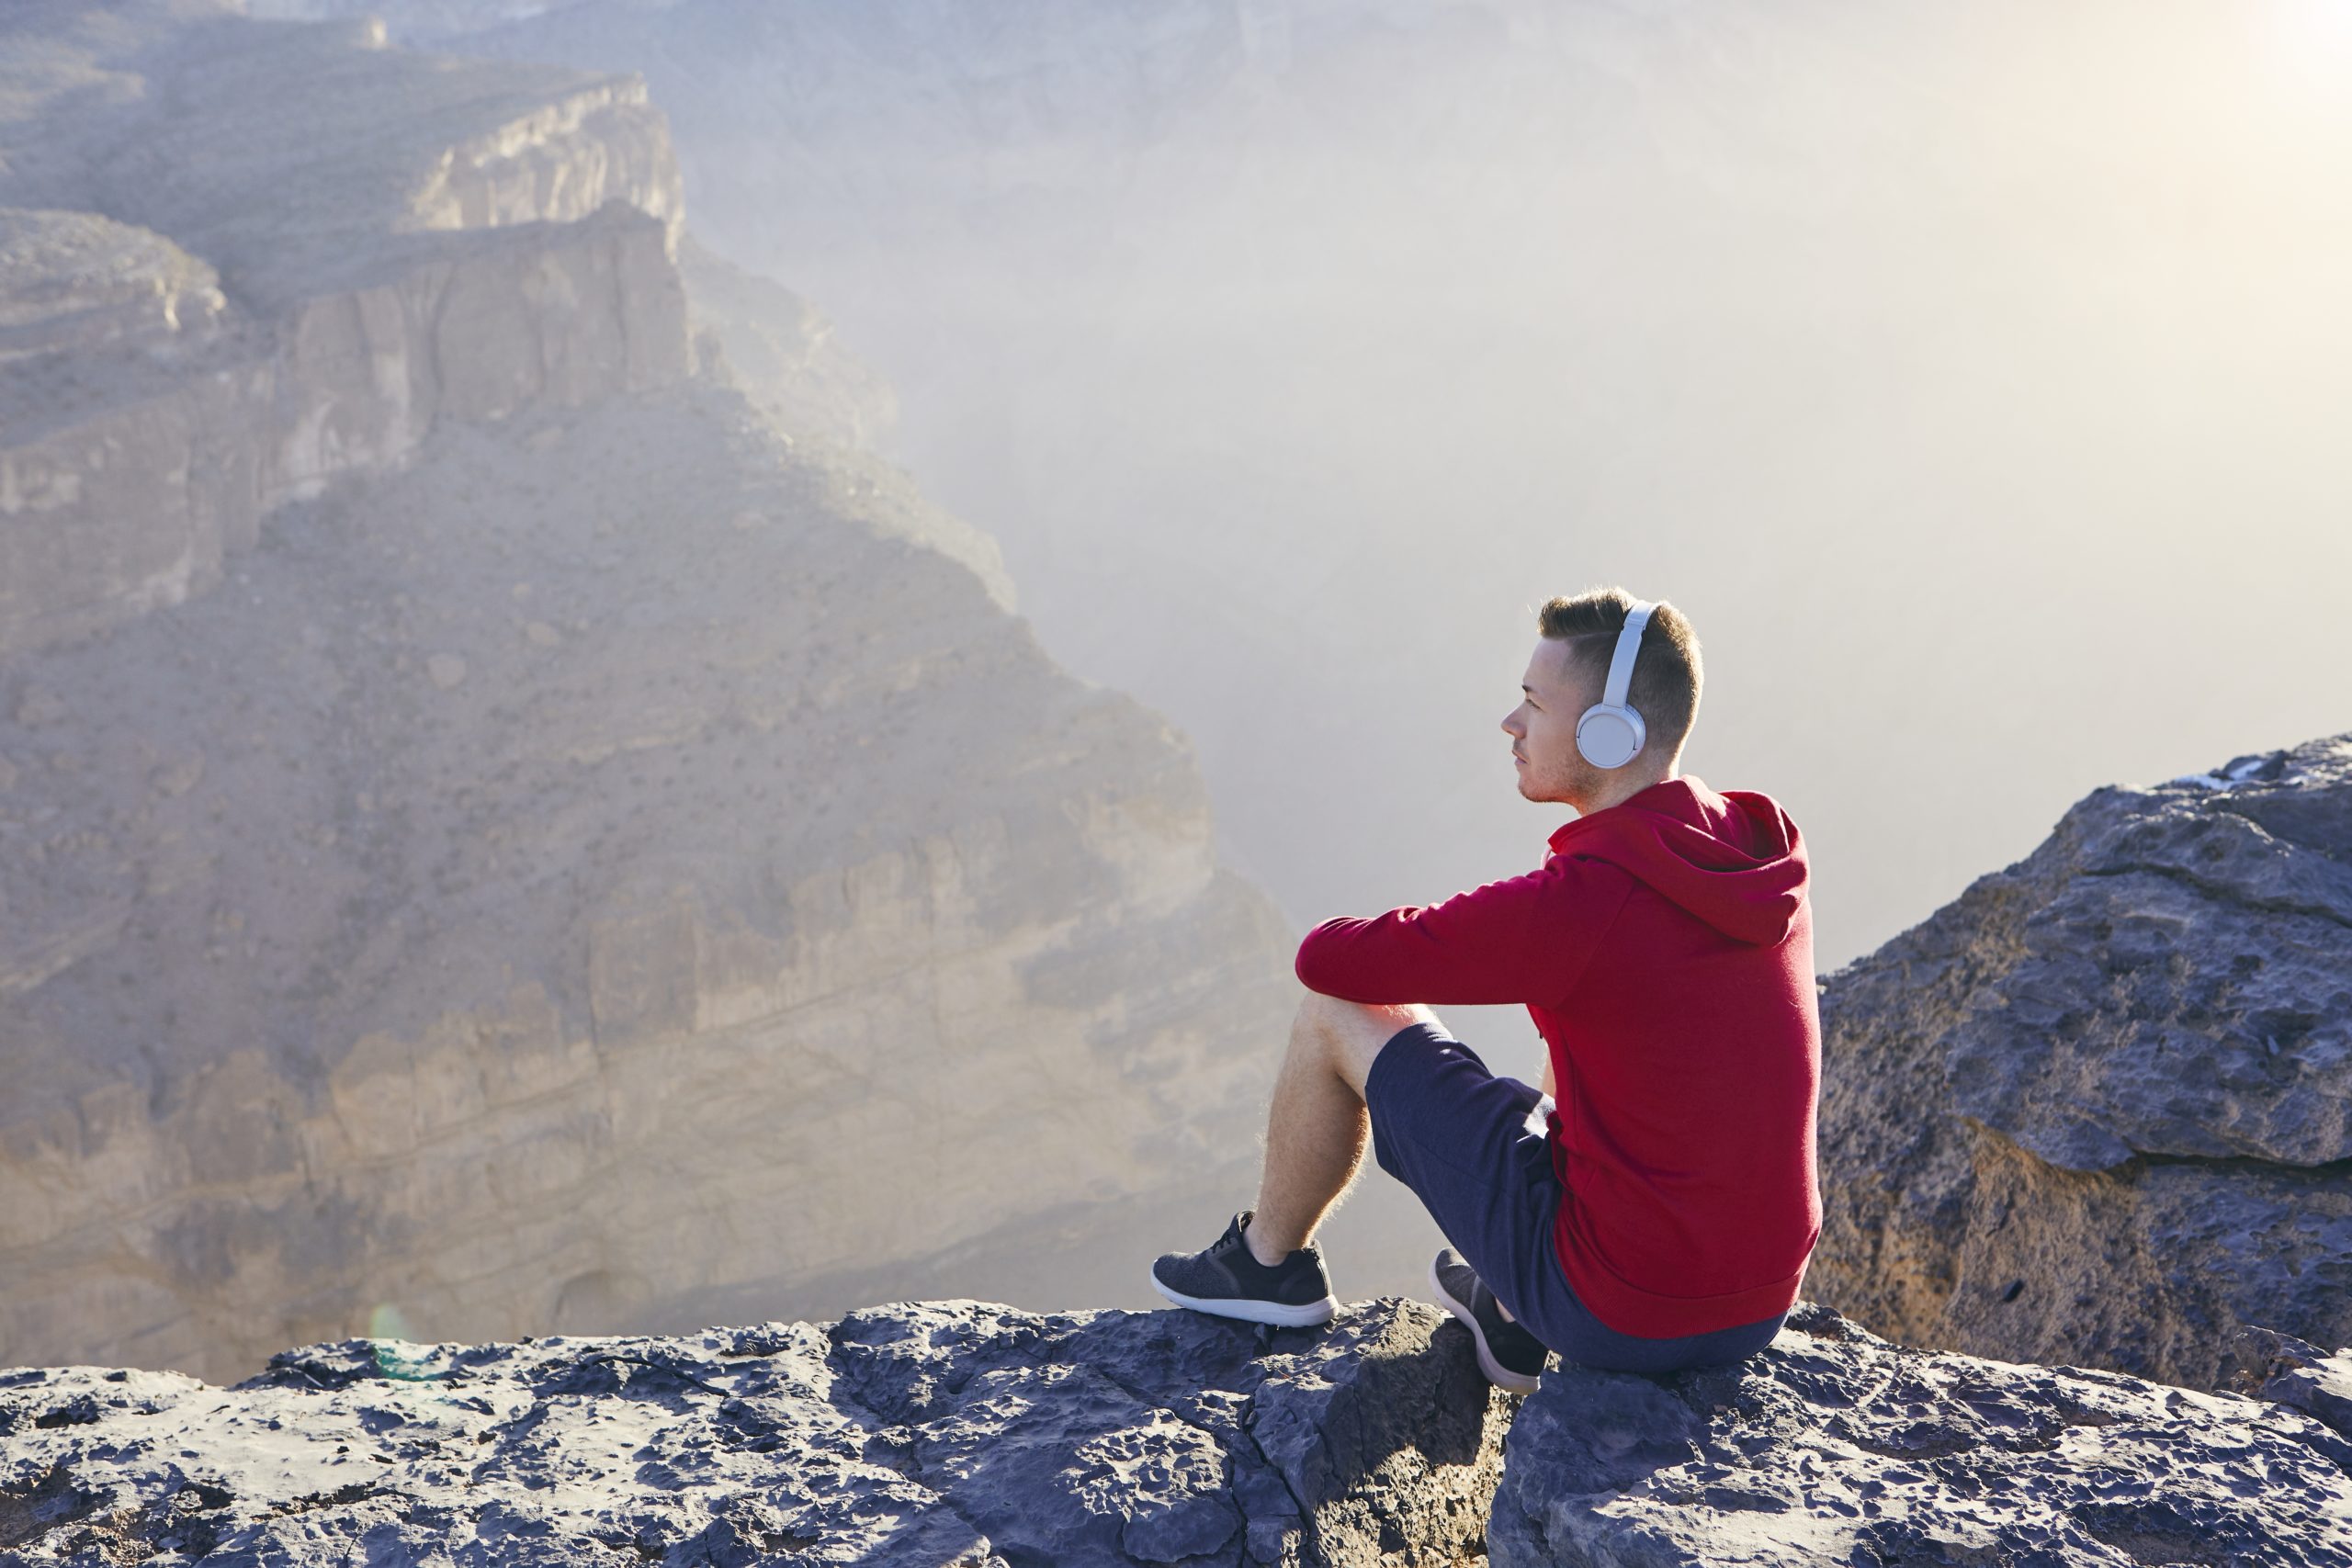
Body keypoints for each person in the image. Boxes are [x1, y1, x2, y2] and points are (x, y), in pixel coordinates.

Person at [1149, 587, 1822, 1390]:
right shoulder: (1754, 848)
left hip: (1624, 1311)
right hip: (1757, 1304)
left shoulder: (1586, 903)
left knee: (1338, 1014)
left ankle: (1267, 1268)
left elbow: (1328, 960)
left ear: (1611, 734)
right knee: (1580, 1064)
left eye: (1535, 704)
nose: (1512, 722)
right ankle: (1510, 1314)